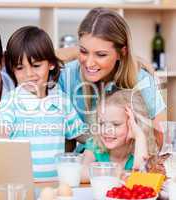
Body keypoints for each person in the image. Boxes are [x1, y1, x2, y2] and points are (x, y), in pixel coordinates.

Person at [59, 8, 166, 148]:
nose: (89, 63)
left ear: (122, 52)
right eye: (84, 51)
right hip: (85, 162)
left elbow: (160, 137)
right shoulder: (67, 76)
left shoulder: (141, 80)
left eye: (101, 54)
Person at [0, 26, 87, 182]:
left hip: (57, 185)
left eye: (36, 66)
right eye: (20, 68)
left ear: (51, 64)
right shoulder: (11, 101)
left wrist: (108, 137)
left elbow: (81, 134)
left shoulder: (61, 100)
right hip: (23, 185)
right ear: (12, 70)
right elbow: (1, 135)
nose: (29, 74)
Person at [81, 90, 158, 183]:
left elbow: (143, 179)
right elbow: (80, 173)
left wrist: (139, 137)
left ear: (135, 124)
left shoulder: (142, 148)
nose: (106, 130)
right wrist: (116, 173)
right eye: (101, 124)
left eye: (116, 124)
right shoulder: (94, 145)